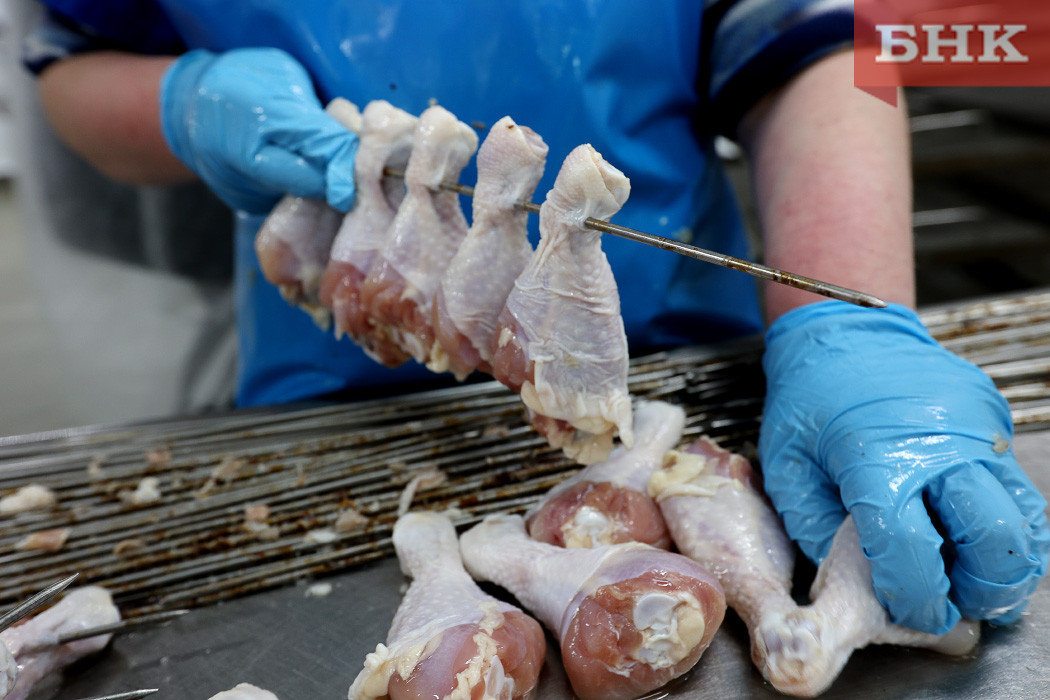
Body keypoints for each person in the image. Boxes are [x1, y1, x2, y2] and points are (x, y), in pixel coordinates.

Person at [23, 0, 1048, 639]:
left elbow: (809, 37)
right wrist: (188, 100)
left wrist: (844, 317)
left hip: (677, 365)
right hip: (334, 376)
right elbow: (75, 60)